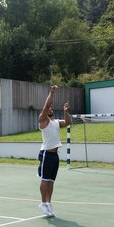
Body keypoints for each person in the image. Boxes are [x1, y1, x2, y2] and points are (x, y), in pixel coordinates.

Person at [37, 85, 70, 217]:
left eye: (51, 108)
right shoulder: (43, 120)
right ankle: (43, 203)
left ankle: (49, 203)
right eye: (48, 108)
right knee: (45, 180)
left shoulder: (56, 122)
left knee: (51, 181)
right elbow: (46, 106)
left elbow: (67, 122)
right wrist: (51, 92)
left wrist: (66, 111)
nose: (50, 108)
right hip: (46, 154)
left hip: (55, 155)